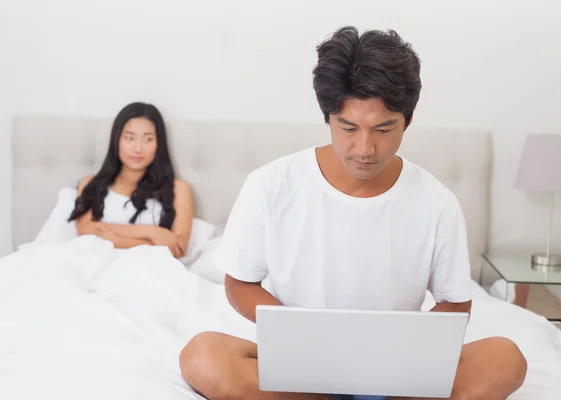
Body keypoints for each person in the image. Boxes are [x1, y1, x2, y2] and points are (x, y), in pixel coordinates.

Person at [179, 26, 528, 400]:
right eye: (348, 127)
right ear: (328, 117)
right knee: (202, 357)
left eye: (383, 128)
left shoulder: (437, 202)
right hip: (304, 362)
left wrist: (410, 354)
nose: (365, 148)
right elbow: (240, 283)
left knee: (506, 359)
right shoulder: (270, 184)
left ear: (407, 121)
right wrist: (299, 334)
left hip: (397, 369)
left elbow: (455, 300)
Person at [68, 102, 193, 258]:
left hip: (152, 272)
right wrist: (152, 232)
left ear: (158, 144)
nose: (138, 148)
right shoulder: (91, 184)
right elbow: (87, 233)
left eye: (148, 139)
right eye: (129, 138)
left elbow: (178, 248)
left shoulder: (178, 189)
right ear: (116, 140)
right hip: (96, 265)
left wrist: (113, 238)